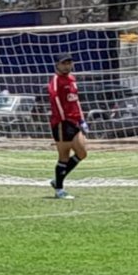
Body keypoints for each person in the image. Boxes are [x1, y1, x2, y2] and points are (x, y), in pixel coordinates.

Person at [46, 55, 87, 200]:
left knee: (82, 153)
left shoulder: (72, 79)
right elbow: (55, 100)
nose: (67, 66)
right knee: (64, 155)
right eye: (64, 63)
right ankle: (59, 189)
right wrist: (64, 120)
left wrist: (81, 119)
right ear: (57, 64)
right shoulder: (56, 80)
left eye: (69, 62)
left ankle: (57, 180)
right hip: (62, 122)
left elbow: (76, 100)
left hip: (75, 121)